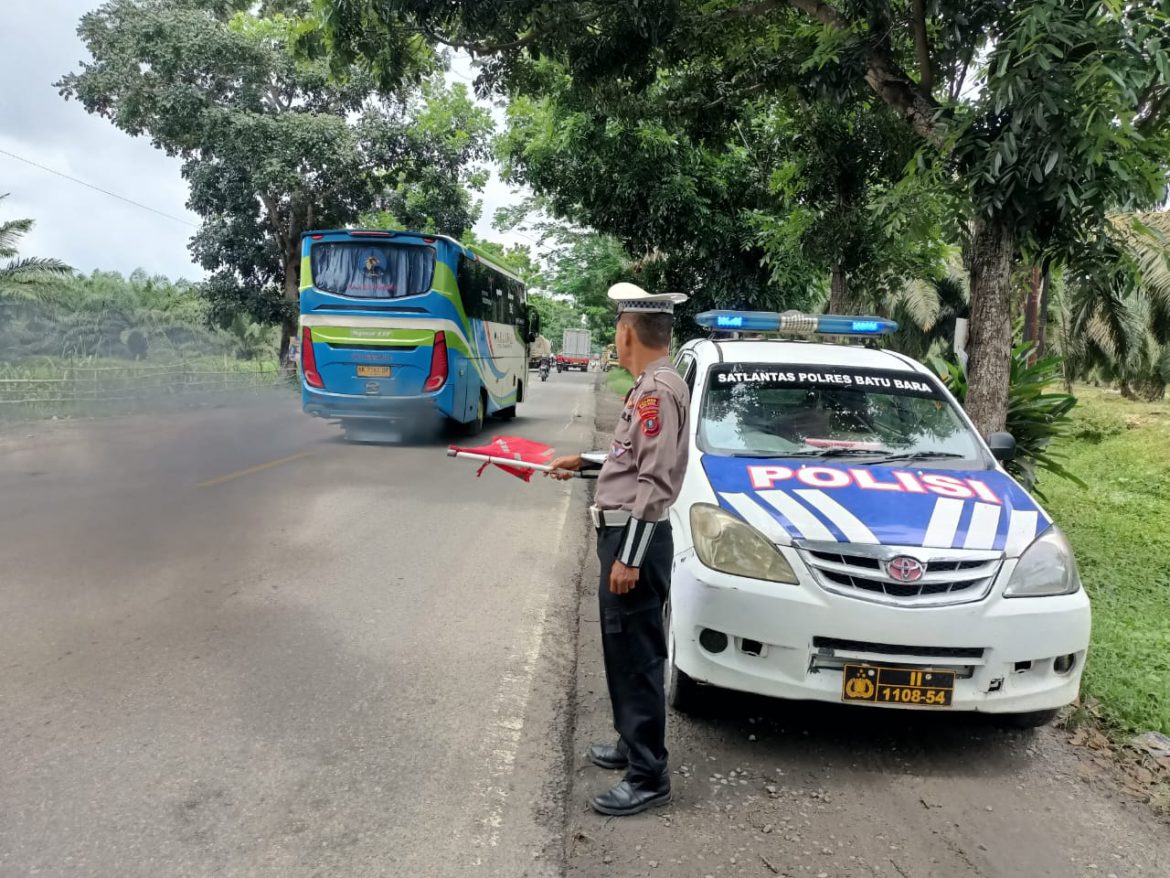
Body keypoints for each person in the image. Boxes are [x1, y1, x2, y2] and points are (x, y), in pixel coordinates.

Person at [547, 282, 690, 817]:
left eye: (617, 325)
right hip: (628, 535)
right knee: (622, 650)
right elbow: (629, 458)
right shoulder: (650, 385)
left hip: (636, 539)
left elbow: (652, 483)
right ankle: (634, 744)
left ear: (626, 332)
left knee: (636, 657)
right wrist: (583, 462)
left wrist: (628, 556)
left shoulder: (655, 392)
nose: (615, 332)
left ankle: (649, 775)